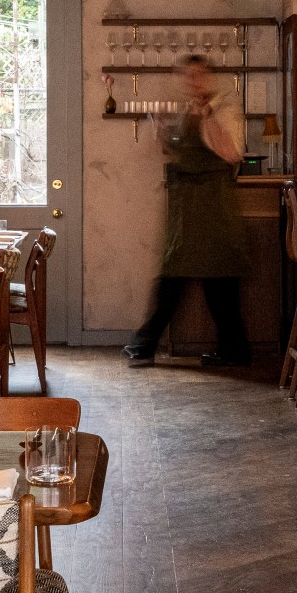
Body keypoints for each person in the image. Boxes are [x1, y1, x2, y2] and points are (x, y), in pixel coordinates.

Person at [124, 55, 251, 367]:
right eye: (187, 76)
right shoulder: (186, 110)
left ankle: (146, 344)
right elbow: (175, 150)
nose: (192, 82)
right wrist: (159, 127)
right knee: (184, 275)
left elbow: (232, 154)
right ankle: (232, 348)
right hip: (187, 207)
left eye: (198, 76)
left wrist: (208, 115)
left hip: (213, 206)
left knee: (211, 278)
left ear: (209, 77)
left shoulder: (226, 109)